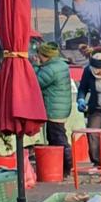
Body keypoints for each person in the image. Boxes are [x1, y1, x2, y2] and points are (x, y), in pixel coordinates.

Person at [33, 41, 73, 172]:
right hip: (60, 107)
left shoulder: (51, 69)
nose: (38, 57)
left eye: (39, 55)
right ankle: (62, 166)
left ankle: (67, 166)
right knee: (58, 136)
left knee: (58, 139)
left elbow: (37, 82)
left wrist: (35, 66)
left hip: (54, 108)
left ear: (45, 56)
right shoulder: (61, 64)